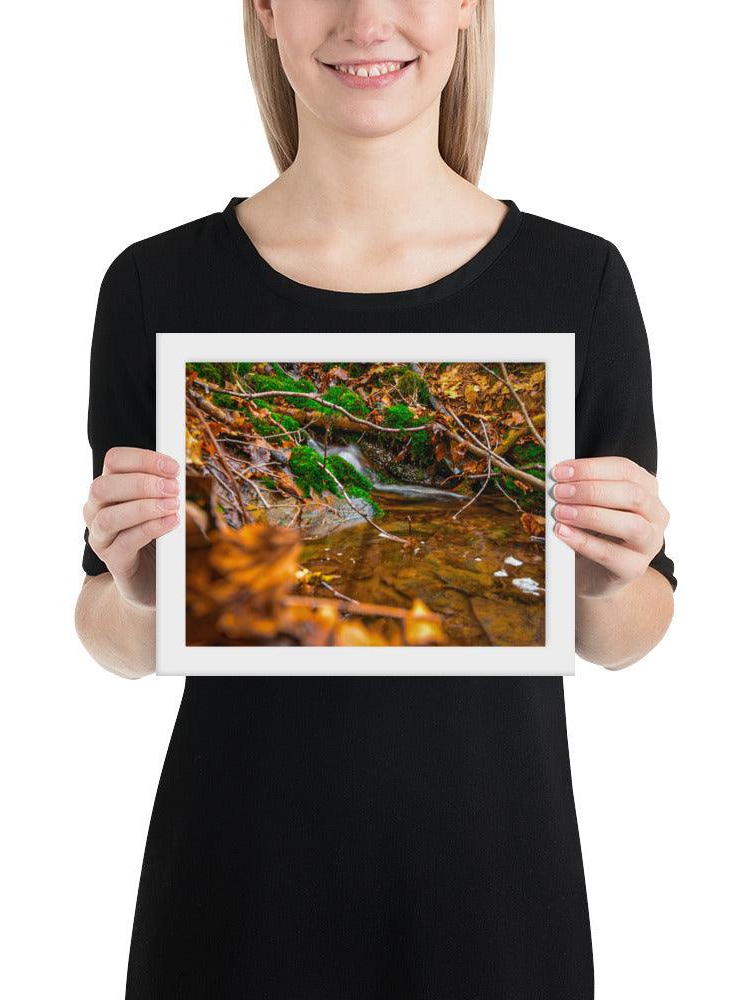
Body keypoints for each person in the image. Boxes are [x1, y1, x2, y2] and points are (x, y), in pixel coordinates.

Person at [75, 1, 677, 996]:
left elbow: (627, 631)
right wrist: (140, 584)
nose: (366, 17)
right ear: (266, 10)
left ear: (468, 9)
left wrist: (610, 569)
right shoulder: (157, 286)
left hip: (493, 888)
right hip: (236, 895)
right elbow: (109, 631)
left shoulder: (577, 284)